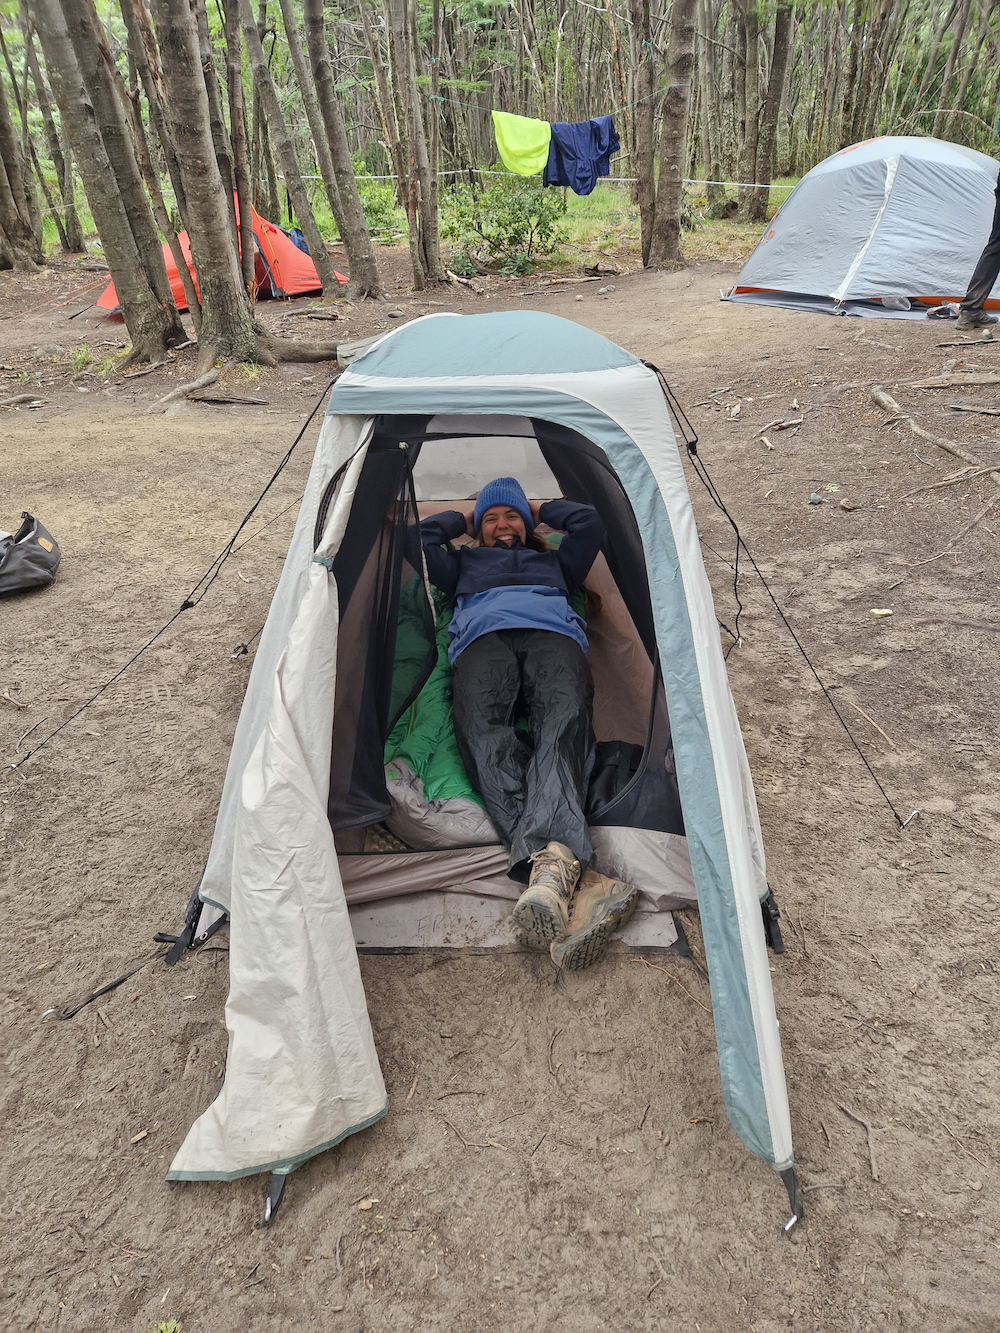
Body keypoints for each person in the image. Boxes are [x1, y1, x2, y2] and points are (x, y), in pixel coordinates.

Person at [419, 476, 637, 966]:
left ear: (527, 524)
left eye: (510, 516)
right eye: (492, 518)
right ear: (478, 530)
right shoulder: (462, 565)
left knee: (563, 724)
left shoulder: (556, 561)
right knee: (481, 734)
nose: (501, 525)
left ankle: (553, 877)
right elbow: (423, 540)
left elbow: (590, 522)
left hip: (551, 638)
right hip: (483, 644)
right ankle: (567, 872)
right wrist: (464, 518)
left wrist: (540, 507)